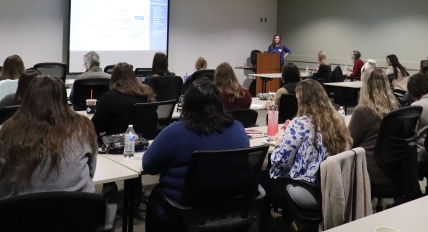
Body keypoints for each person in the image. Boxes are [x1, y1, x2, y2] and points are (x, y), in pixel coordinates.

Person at [142, 78, 249, 229]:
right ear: (219, 103)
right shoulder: (238, 128)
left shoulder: (175, 132)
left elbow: (148, 166)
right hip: (230, 206)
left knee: (155, 196)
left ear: (188, 104)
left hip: (184, 210)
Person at [264, 79, 351, 223]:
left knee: (261, 178)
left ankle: (270, 224)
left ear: (302, 101)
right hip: (335, 190)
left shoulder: (300, 123)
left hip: (309, 190)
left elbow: (280, 161)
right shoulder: (338, 121)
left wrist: (280, 143)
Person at [0, 75, 97, 198]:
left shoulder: (5, 130)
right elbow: (91, 171)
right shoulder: (84, 126)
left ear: (28, 98)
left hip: (19, 213)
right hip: (76, 211)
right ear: (63, 99)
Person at [349, 68, 399, 185]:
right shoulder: (395, 108)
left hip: (369, 170)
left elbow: (349, 142)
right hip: (392, 168)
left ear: (365, 86)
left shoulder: (362, 111)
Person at [92, 62, 156, 136]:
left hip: (117, 142)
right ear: (133, 77)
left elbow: (96, 126)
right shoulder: (146, 93)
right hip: (146, 141)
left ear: (113, 78)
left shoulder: (109, 97)